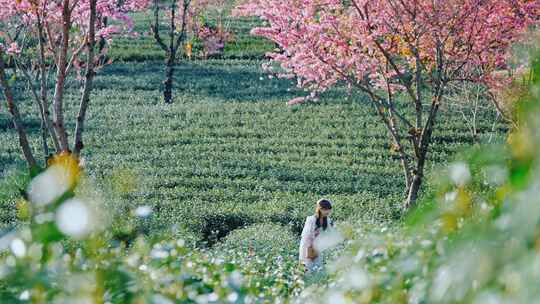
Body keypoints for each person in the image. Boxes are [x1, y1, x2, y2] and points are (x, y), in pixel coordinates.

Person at [299, 198, 333, 272]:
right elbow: (305, 236)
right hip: (308, 247)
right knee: (307, 268)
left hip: (318, 248)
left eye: (329, 209)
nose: (328, 211)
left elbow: (329, 233)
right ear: (320, 209)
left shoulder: (327, 220)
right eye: (325, 209)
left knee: (318, 269)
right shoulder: (311, 219)